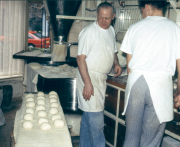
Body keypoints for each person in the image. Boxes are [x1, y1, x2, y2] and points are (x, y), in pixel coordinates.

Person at [120, 0, 180, 146]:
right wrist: (179, 90)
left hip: (136, 84)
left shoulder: (134, 28)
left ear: (146, 7)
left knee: (131, 137)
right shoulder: (175, 29)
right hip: (160, 87)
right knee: (150, 141)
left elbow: (129, 67)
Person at [76, 2, 122, 147]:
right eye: (100, 17)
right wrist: (88, 83)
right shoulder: (90, 32)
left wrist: (116, 63)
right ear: (97, 15)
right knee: (96, 124)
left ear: (113, 17)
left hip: (101, 79)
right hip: (89, 77)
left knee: (87, 120)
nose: (103, 21)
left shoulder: (111, 31)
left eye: (107, 18)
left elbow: (113, 50)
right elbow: (80, 58)